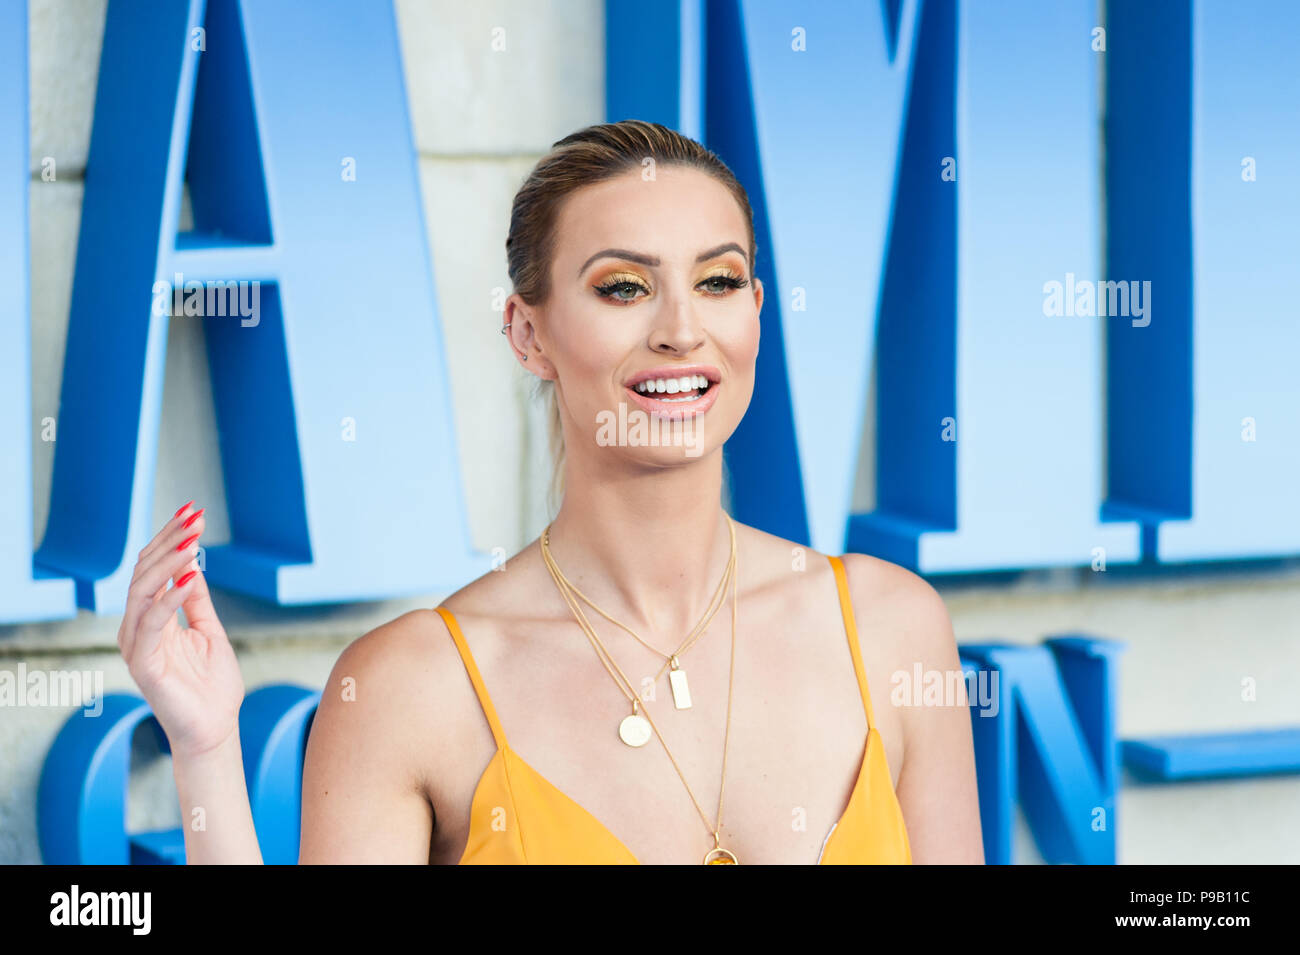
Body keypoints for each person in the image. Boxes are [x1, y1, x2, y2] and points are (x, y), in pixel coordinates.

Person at [118, 120, 983, 865]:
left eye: (717, 281)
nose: (682, 329)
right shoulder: (410, 687)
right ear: (528, 333)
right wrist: (205, 746)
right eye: (624, 287)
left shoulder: (892, 628)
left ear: (755, 308)